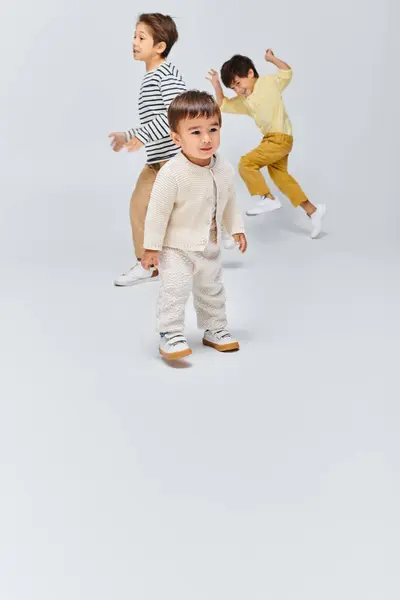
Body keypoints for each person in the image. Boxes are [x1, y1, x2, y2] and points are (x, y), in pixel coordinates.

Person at [141, 91, 247, 360]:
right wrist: (151, 247)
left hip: (208, 244)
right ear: (177, 138)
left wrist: (236, 228)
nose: (207, 138)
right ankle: (170, 333)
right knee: (175, 290)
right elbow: (157, 212)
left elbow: (230, 200)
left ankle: (215, 328)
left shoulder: (223, 168)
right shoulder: (172, 173)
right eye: (196, 132)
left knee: (212, 289)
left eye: (213, 129)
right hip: (176, 248)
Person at [207, 49, 326, 239]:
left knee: (246, 163)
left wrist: (272, 59)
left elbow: (287, 72)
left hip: (280, 138)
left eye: (238, 83)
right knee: (280, 177)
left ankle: (267, 198)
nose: (238, 90)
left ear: (251, 74)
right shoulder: (244, 101)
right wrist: (216, 86)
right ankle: (313, 210)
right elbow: (222, 105)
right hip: (272, 140)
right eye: (233, 88)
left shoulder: (268, 83)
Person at [109, 13, 186, 287]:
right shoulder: (149, 78)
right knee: (139, 206)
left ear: (160, 46)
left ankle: (214, 235)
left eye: (141, 38)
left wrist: (141, 135)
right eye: (134, 36)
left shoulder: (167, 73)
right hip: (156, 159)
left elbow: (176, 113)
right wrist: (128, 134)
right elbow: (154, 120)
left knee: (179, 212)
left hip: (175, 159)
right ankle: (148, 264)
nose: (134, 42)